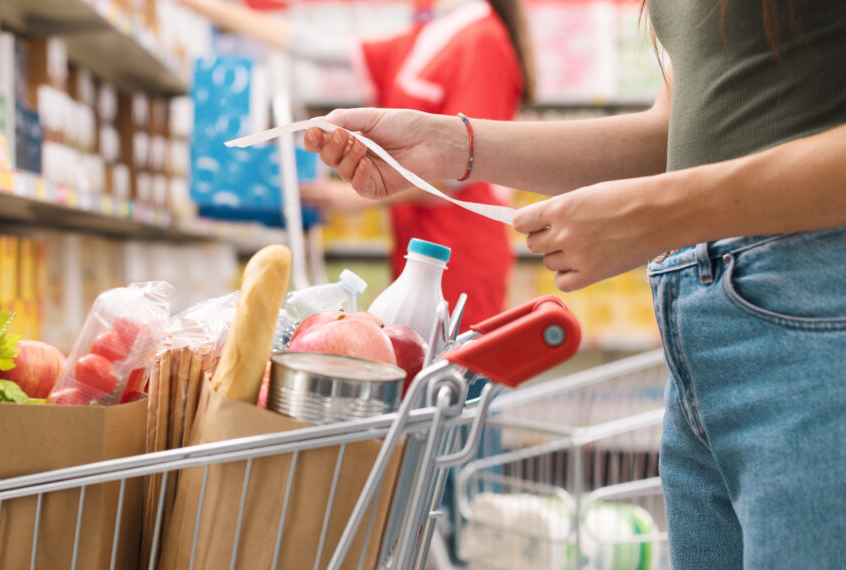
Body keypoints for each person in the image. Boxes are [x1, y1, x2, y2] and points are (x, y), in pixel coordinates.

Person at [303, 0, 846, 566]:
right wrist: (452, 147)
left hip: (814, 314)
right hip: (701, 339)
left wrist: (662, 214)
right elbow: (680, 128)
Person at [177, 0, 535, 330]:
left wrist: (361, 195)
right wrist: (210, 8)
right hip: (418, 252)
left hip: (460, 257)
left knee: (456, 383)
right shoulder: (427, 37)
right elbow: (314, 46)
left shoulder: (482, 41)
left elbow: (463, 169)